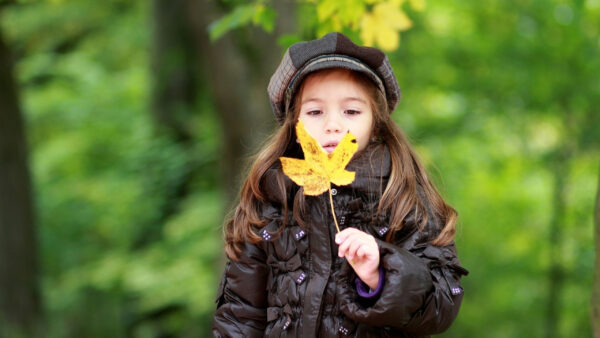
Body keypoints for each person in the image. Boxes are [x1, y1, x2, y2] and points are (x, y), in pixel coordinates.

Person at [212, 32, 468, 337]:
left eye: (351, 111)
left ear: (376, 122)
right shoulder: (271, 196)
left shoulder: (401, 195)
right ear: (295, 125)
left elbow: (442, 303)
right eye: (315, 111)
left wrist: (381, 273)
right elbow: (241, 314)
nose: (333, 124)